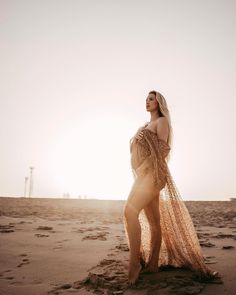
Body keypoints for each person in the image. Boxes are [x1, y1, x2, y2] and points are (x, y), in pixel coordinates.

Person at [123, 90, 219, 285]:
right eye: (146, 99)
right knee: (154, 220)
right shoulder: (145, 125)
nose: (147, 102)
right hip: (143, 175)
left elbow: (163, 150)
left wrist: (145, 165)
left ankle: (134, 264)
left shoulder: (161, 122)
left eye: (151, 99)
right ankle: (152, 264)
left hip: (154, 175)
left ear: (159, 103)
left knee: (129, 212)